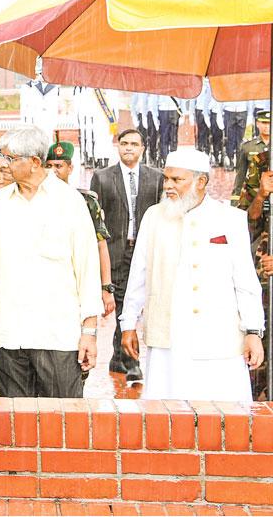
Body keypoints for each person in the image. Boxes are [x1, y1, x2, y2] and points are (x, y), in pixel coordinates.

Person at [120, 149, 264, 401]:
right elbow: (139, 274)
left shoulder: (230, 219)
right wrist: (128, 323)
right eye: (166, 179)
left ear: (201, 182)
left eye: (177, 180)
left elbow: (245, 281)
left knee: (224, 417)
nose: (168, 186)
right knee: (167, 415)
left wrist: (253, 331)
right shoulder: (153, 217)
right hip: (168, 337)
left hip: (219, 337)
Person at [0, 125, 101, 398]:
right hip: (9, 336)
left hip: (58, 336)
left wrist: (89, 332)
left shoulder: (70, 202)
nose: (4, 165)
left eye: (11, 159)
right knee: (15, 427)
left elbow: (87, 270)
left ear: (35, 162)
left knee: (62, 424)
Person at [90, 129, 164, 383]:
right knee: (122, 302)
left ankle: (118, 356)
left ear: (142, 148)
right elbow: (96, 218)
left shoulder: (156, 178)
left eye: (134, 144)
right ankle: (131, 361)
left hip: (145, 249)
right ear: (117, 146)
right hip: (116, 249)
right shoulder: (102, 177)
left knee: (141, 300)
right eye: (124, 144)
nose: (129, 148)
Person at [43, 141, 116, 319]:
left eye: (59, 166)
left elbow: (101, 245)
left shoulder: (86, 201)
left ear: (70, 168)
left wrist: (106, 287)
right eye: (49, 166)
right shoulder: (38, 200)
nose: (53, 171)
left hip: (79, 282)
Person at [233, 110, 270, 213]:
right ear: (257, 123)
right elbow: (240, 175)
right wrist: (235, 199)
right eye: (264, 123)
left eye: (269, 123)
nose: (267, 127)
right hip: (253, 194)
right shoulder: (248, 147)